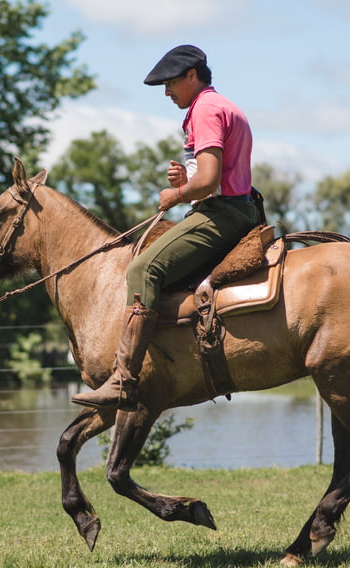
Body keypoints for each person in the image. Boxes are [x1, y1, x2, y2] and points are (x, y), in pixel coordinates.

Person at [72, 44, 258, 411]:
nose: (167, 92)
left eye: (170, 83)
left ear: (192, 75)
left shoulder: (204, 109)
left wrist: (177, 193)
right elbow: (210, 174)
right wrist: (184, 178)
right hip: (236, 207)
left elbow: (207, 182)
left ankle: (123, 379)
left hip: (221, 213)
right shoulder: (222, 106)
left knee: (143, 268)